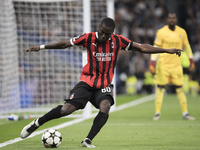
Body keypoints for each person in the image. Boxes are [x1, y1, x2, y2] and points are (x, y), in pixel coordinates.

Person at [21, 17, 182, 147]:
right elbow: (65, 44)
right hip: (86, 82)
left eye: (107, 34)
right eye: (102, 32)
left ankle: (87, 140)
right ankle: (36, 123)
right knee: (66, 110)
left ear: (113, 33)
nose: (104, 36)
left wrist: (166, 50)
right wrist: (41, 47)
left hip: (103, 85)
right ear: (99, 27)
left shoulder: (118, 41)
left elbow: (142, 47)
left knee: (105, 106)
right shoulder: (88, 38)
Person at [149, 13, 195, 121]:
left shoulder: (182, 32)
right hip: (163, 65)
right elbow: (155, 47)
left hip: (176, 65)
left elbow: (187, 46)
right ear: (167, 19)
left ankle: (185, 113)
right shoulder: (161, 32)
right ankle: (157, 113)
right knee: (160, 88)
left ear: (176, 19)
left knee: (180, 88)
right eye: (170, 18)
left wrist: (191, 59)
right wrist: (152, 62)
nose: (172, 20)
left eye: (173, 18)